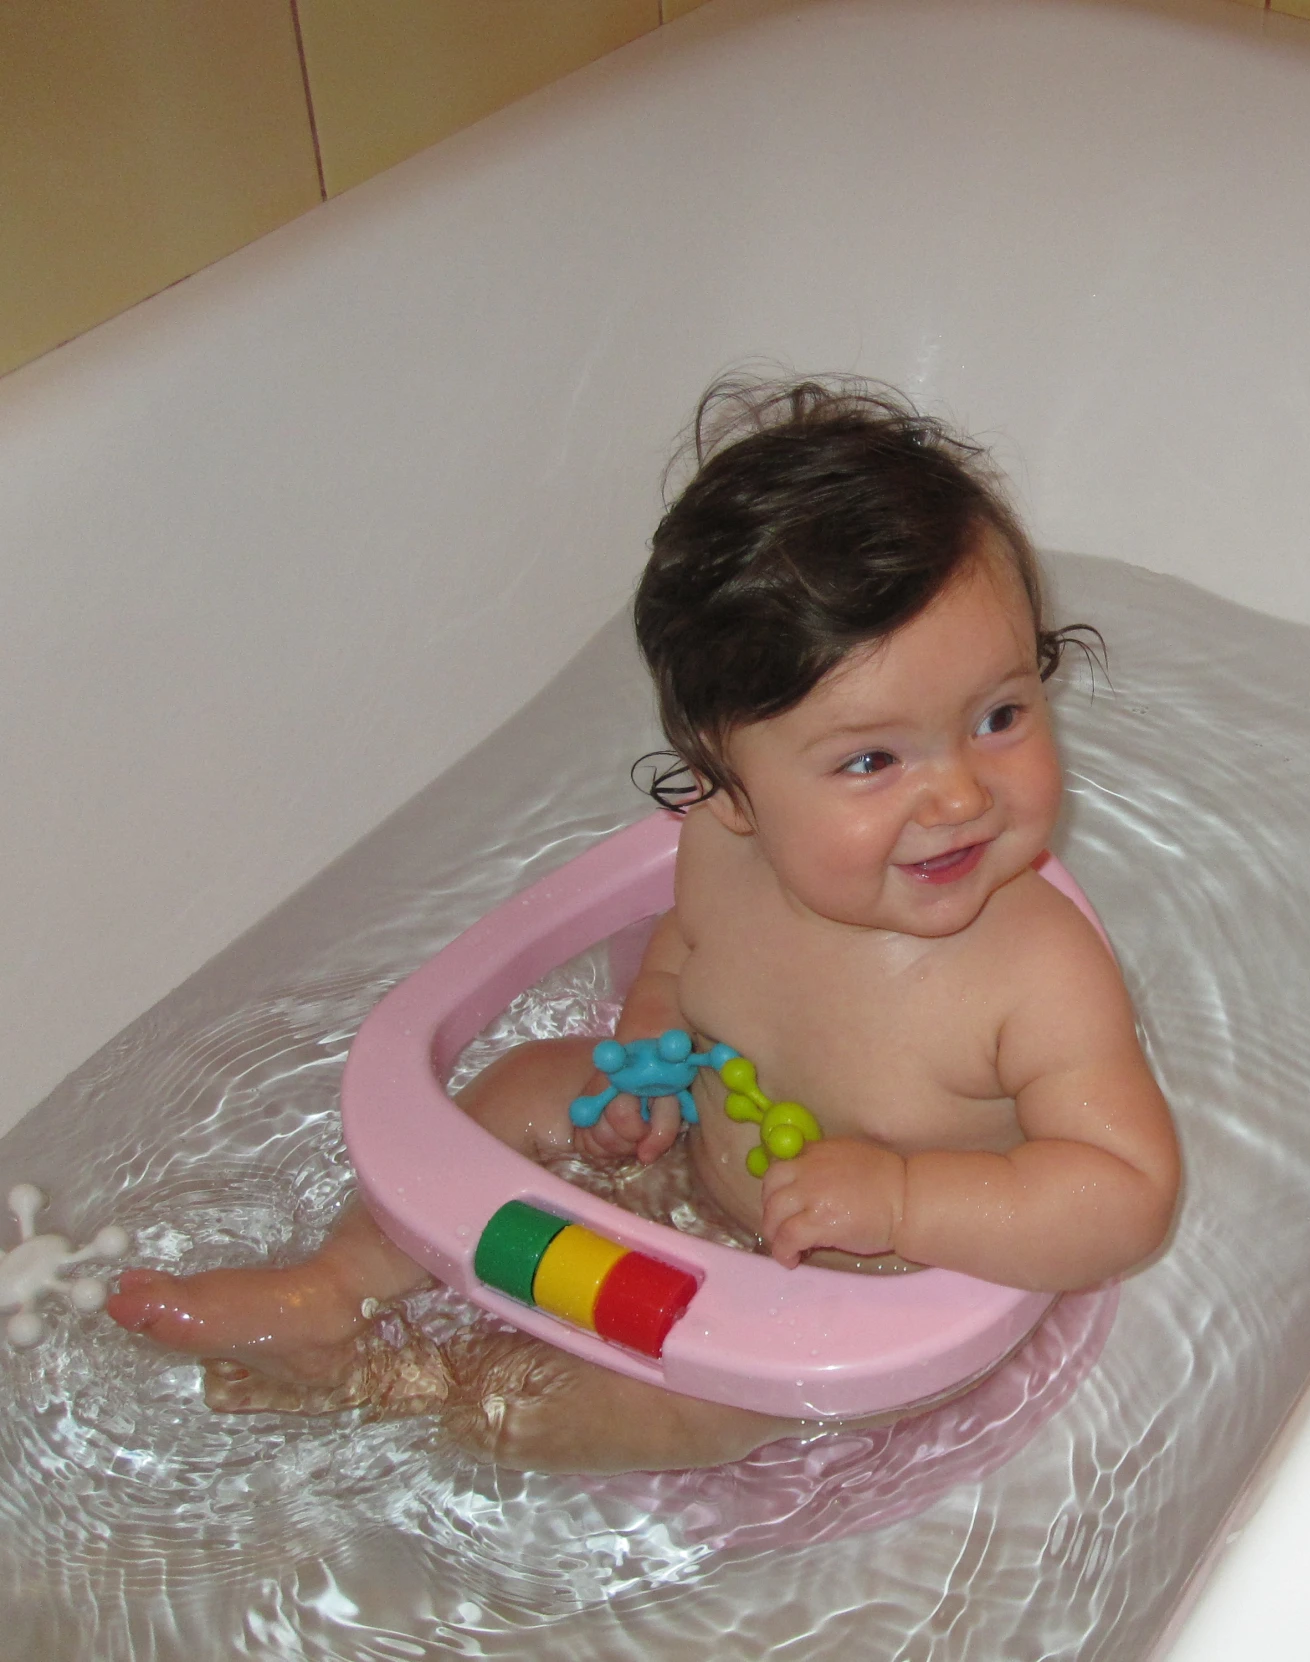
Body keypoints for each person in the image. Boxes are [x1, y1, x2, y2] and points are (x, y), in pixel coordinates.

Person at [107, 378, 1180, 1474]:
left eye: (999, 717)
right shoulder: (721, 848)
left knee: (662, 1409)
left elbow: (1125, 1197)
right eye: (871, 760)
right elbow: (686, 947)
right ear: (731, 784)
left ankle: (398, 1388)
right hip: (699, 1166)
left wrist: (902, 1202)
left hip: (851, 1287)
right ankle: (327, 1288)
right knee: (531, 1082)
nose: (958, 795)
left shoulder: (1032, 971)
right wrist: (650, 1045)